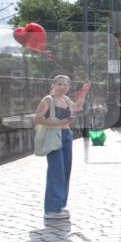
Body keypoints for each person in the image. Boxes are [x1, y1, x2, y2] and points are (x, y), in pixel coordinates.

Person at [35, 75, 90, 219]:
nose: (63, 86)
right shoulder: (48, 100)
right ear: (53, 84)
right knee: (56, 171)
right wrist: (57, 124)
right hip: (54, 135)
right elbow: (37, 119)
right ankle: (51, 209)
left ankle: (60, 205)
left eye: (65, 84)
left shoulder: (65, 99)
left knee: (65, 170)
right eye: (59, 84)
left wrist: (84, 92)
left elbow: (77, 107)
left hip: (66, 135)